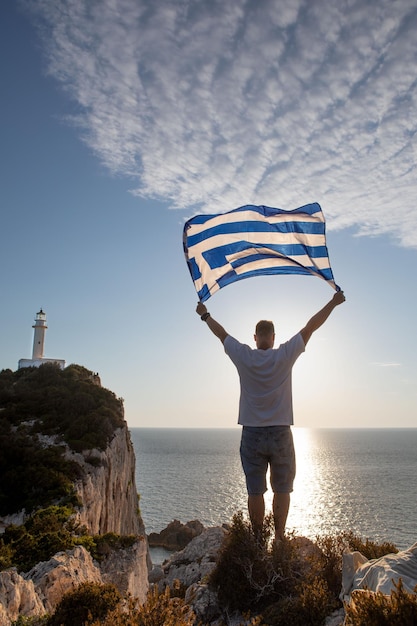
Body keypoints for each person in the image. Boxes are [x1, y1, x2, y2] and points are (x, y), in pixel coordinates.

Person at [196, 290, 346, 543]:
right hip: (280, 432)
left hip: (252, 432)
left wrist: (205, 315)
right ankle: (278, 537)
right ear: (273, 338)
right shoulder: (284, 355)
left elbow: (221, 335)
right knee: (283, 489)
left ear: (255, 338)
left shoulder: (244, 355)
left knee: (255, 491)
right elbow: (310, 327)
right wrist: (333, 302)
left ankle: (257, 540)